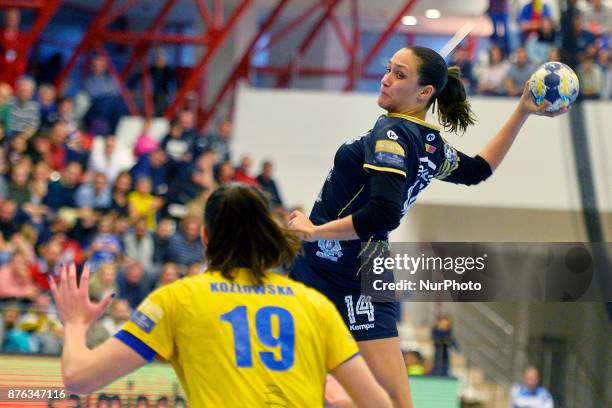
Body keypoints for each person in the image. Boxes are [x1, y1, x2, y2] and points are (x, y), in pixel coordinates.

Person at [287, 45, 566, 407]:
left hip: (340, 264)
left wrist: (314, 231)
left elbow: (383, 213)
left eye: (399, 75)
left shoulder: (391, 132)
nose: (386, 79)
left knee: (328, 393)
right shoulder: (430, 143)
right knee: (386, 400)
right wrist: (522, 112)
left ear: (425, 93)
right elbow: (477, 171)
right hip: (355, 266)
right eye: (389, 70)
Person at [49, 184, 392, 407]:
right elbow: (379, 405)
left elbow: (79, 378)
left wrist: (76, 324)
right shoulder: (313, 305)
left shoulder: (177, 299)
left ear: (205, 237)